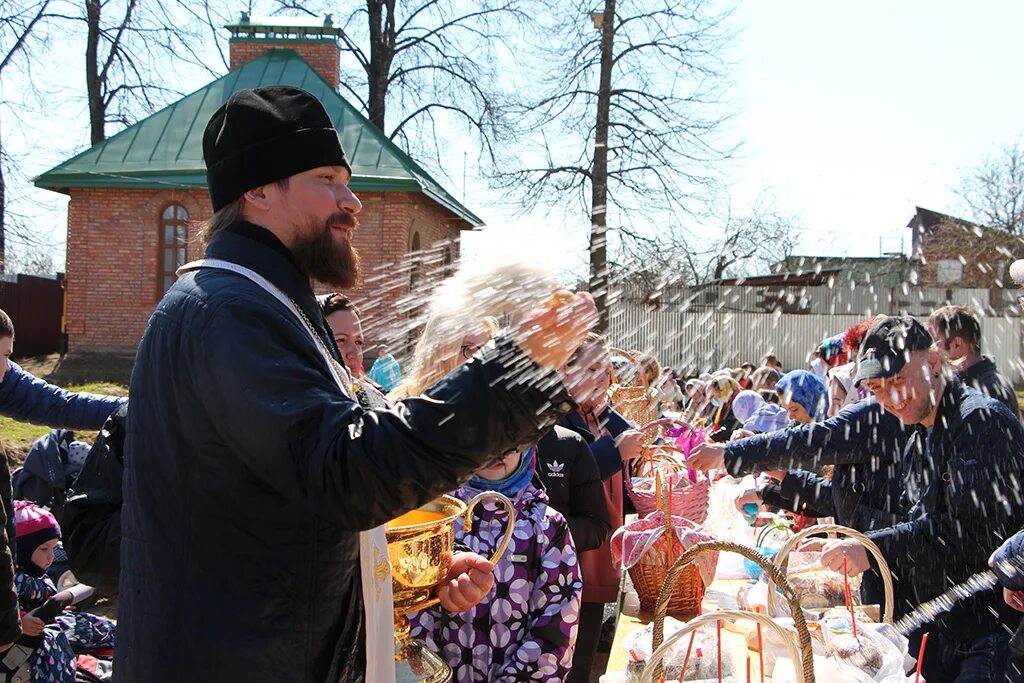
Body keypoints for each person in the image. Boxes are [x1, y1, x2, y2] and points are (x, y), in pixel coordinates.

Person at [119, 86, 597, 682]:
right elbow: (347, 472)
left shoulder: (269, 307)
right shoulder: (228, 312)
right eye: (327, 179)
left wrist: (413, 573)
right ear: (259, 190)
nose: (353, 202)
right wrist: (514, 371)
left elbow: (288, 506)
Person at [812, 316, 1024, 683]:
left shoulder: (980, 421)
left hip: (988, 636)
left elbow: (967, 531)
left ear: (933, 363)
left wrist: (873, 548)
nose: (890, 398)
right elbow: (912, 517)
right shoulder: (919, 433)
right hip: (943, 630)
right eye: (877, 388)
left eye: (897, 381)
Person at [408, 447, 583, 681]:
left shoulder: (547, 526)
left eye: (514, 438)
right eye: (489, 437)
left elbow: (557, 623)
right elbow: (415, 614)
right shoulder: (436, 519)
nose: (499, 450)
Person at [559, 333, 644, 683]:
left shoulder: (594, 414)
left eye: (606, 371)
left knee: (582, 658)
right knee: (566, 663)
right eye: (592, 368)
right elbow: (560, 478)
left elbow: (634, 437)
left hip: (595, 557)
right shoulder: (556, 417)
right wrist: (614, 454)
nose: (602, 379)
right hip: (569, 563)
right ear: (564, 370)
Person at [13, 501, 115, 682]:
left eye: (53, 548)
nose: (51, 556)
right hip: (27, 637)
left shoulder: (35, 572)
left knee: (94, 625)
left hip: (50, 620)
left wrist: (56, 606)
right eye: (44, 549)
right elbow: (5, 607)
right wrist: (20, 620)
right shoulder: (12, 580)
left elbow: (45, 596)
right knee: (55, 648)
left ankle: (116, 639)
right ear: (21, 550)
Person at [0, 309, 125, 431]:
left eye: (8, 356)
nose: (8, 367)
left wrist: (132, 410)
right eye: (5, 355)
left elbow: (61, 406)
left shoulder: (7, 383)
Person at [928, 305, 1019, 414]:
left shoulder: (991, 391)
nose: (928, 349)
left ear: (957, 344)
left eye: (933, 342)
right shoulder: (959, 382)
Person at [320, 293, 390, 410]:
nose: (355, 354)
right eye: (341, 340)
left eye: (358, 342)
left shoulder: (375, 395)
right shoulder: (310, 409)